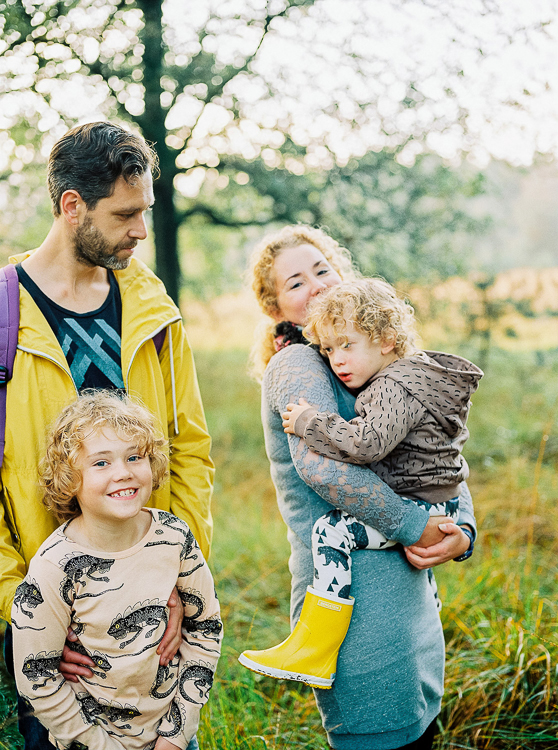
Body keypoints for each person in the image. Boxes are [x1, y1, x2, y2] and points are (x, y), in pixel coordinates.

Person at [1, 122, 214, 750]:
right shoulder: (2, 317)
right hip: (57, 647)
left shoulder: (152, 304)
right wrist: (30, 616)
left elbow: (190, 451)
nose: (141, 231)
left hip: (161, 633)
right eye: (125, 214)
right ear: (73, 207)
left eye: (144, 211)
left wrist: (178, 580)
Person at [240, 225, 477, 750]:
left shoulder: (375, 360)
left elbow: (438, 454)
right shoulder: (299, 363)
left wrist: (461, 528)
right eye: (296, 283)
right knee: (378, 734)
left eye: (322, 269)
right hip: (354, 594)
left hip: (409, 586)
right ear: (275, 304)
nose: (317, 286)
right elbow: (328, 471)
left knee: (419, 725)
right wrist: (418, 524)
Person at [12, 391, 222, 750]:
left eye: (134, 456)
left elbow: (205, 631)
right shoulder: (53, 566)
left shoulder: (175, 538)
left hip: (173, 736)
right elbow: (36, 677)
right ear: (69, 479)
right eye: (100, 463)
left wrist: (176, 734)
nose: (123, 473)